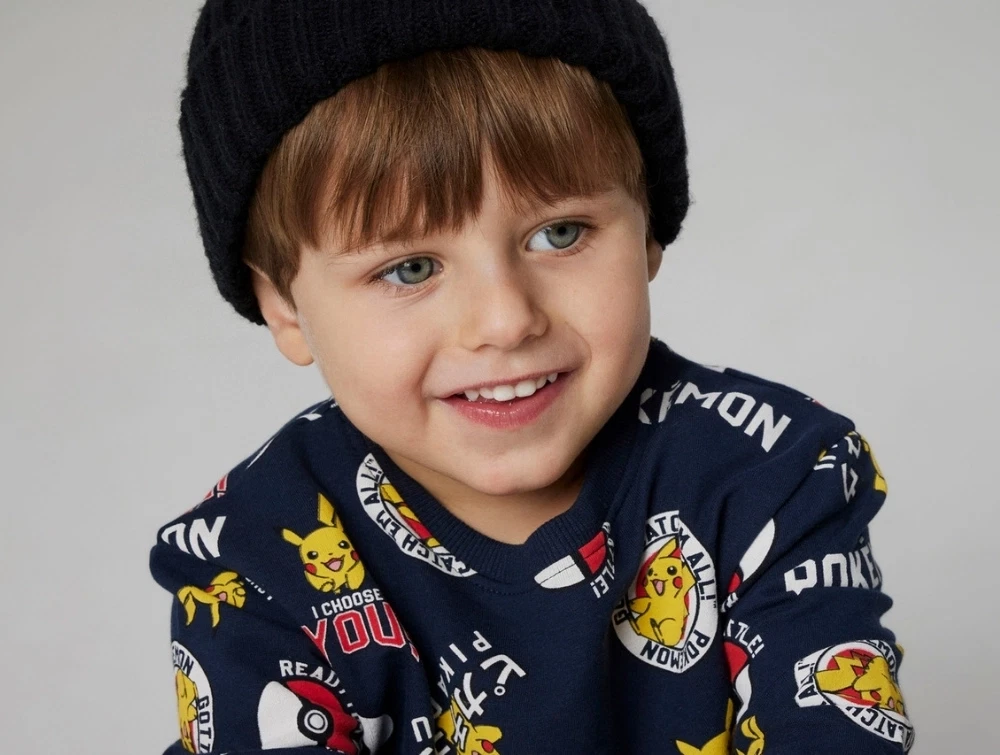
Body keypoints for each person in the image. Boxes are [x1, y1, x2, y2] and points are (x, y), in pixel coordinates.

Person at [150, 1, 912, 753]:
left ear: (648, 225)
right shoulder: (255, 559)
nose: (506, 320)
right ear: (284, 306)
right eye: (410, 268)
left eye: (560, 233)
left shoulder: (772, 475)